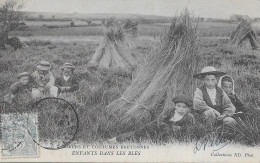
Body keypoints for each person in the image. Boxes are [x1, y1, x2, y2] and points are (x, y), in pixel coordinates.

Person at [108, 94, 195, 142]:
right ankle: (114, 139)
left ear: (188, 109)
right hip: (154, 127)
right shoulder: (169, 111)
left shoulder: (189, 117)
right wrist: (172, 128)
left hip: (166, 136)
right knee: (136, 134)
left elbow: (188, 130)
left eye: (184, 107)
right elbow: (161, 122)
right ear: (175, 106)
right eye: (179, 106)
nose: (181, 109)